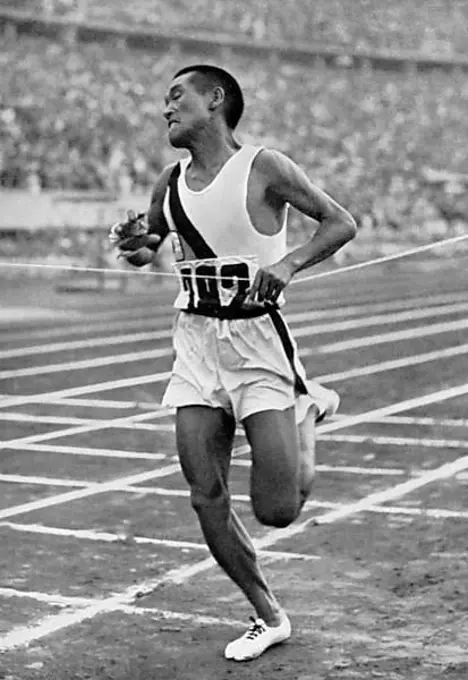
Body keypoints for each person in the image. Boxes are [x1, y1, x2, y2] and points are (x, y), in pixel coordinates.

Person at [111, 64, 357, 662]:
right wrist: (132, 243)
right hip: (196, 345)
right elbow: (151, 249)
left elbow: (341, 222)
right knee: (205, 494)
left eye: (176, 97)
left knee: (277, 509)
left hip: (256, 344)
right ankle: (268, 613)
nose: (165, 109)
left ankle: (307, 407)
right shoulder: (169, 183)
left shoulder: (264, 167)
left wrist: (289, 264)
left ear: (215, 100)